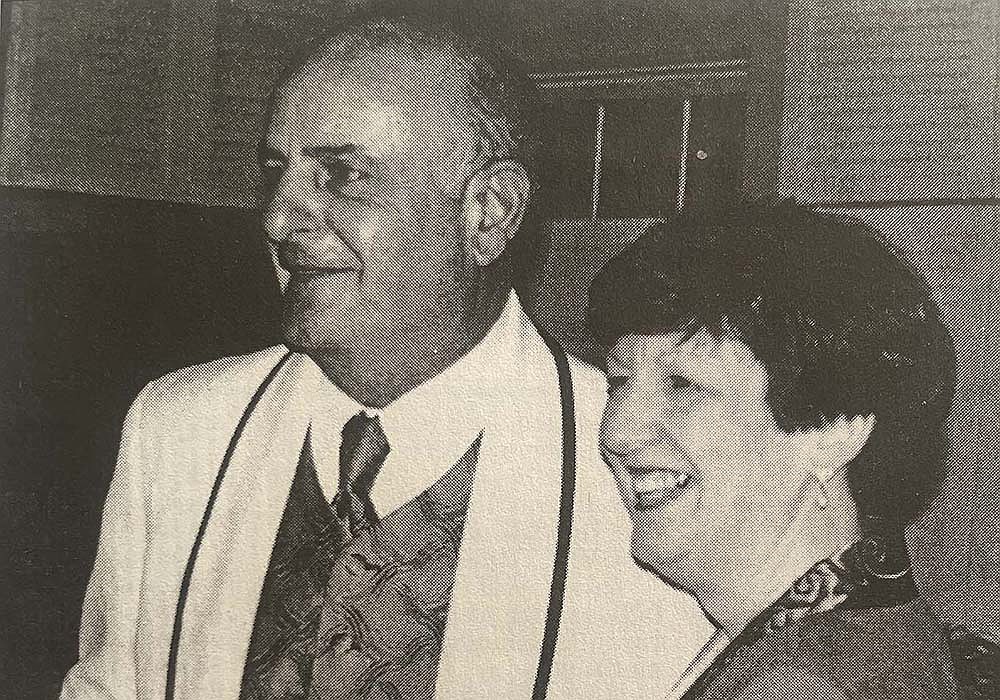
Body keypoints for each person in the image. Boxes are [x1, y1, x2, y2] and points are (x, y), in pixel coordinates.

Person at [60, 16, 712, 700]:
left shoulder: (643, 476)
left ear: (489, 213)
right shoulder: (178, 430)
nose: (279, 219)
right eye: (276, 173)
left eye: (341, 175)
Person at [587, 203, 966, 699]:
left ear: (833, 431)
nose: (618, 432)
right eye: (619, 381)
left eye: (681, 384)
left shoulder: (798, 683)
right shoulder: (862, 637)